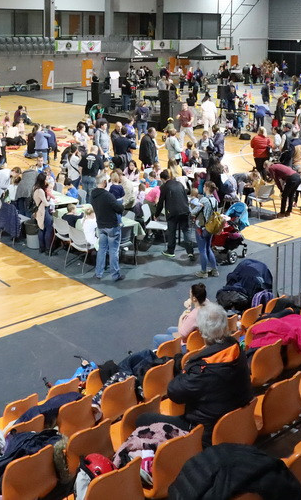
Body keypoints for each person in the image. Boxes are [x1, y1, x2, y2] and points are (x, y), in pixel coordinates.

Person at [139, 304, 250, 445]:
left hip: (205, 432)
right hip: (236, 423)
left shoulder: (201, 369)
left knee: (142, 419)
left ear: (201, 332)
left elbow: (174, 393)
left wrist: (186, 370)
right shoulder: (237, 349)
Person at [90, 174, 126, 281]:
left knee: (102, 249)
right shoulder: (108, 196)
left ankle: (98, 273)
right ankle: (115, 275)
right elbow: (119, 208)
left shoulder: (92, 195)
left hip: (101, 225)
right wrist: (121, 204)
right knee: (113, 251)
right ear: (104, 182)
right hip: (112, 226)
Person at [153, 283, 209, 348]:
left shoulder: (193, 316)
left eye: (190, 295)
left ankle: (172, 351)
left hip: (186, 344)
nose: (189, 296)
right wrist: (189, 301)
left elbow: (180, 335)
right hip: (198, 337)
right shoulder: (207, 305)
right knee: (170, 330)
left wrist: (181, 318)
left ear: (194, 298)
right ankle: (169, 348)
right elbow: (203, 299)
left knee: (156, 338)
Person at [156, 169, 192, 258]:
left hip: (172, 212)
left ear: (162, 179)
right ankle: (190, 252)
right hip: (184, 210)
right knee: (186, 231)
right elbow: (185, 197)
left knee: (172, 232)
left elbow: (160, 202)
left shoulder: (164, 187)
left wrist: (156, 215)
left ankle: (171, 251)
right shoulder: (179, 184)